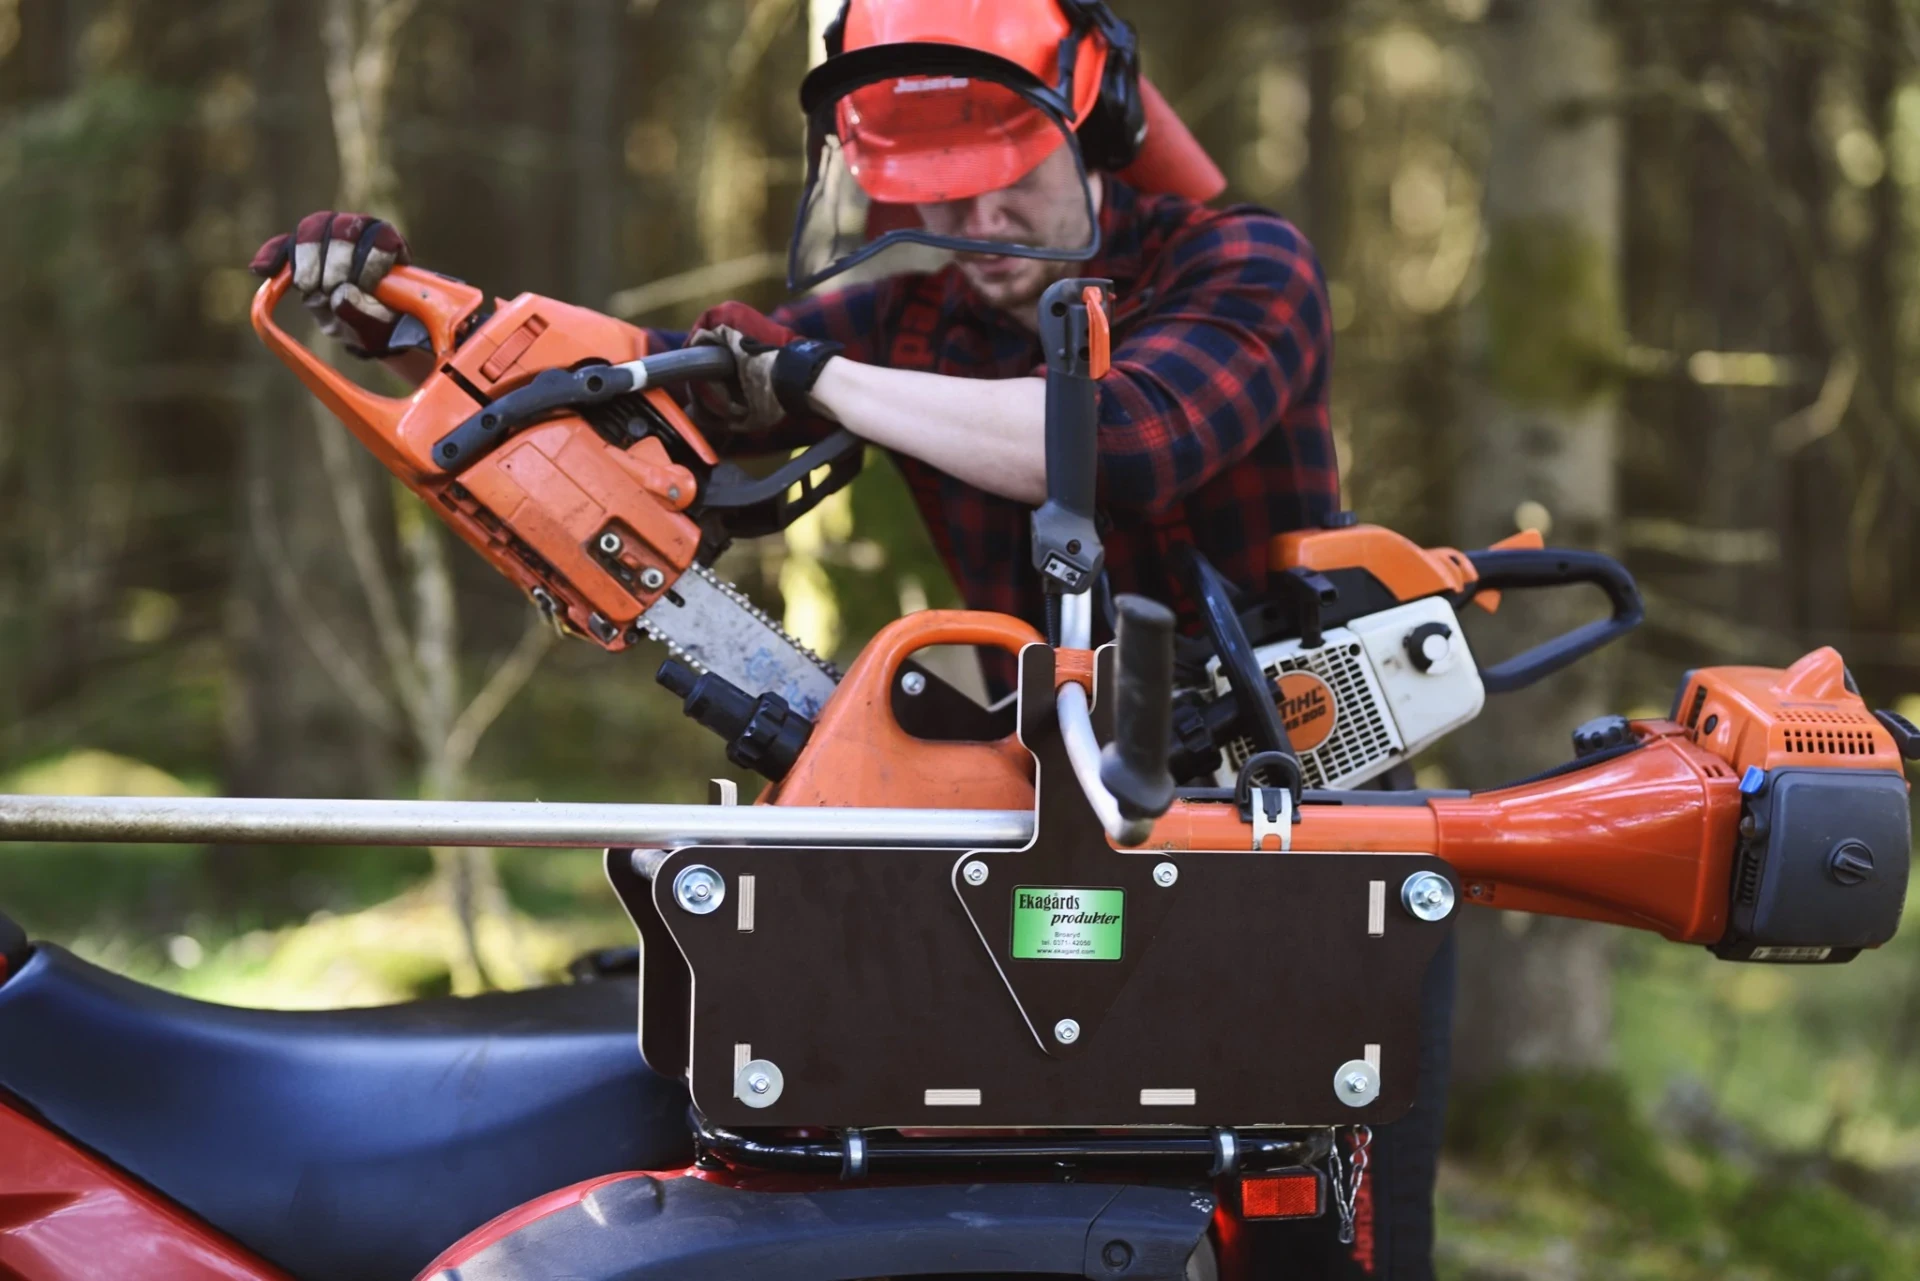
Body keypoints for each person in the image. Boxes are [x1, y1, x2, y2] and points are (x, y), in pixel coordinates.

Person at [250, 2, 1447, 1275]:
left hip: (1300, 814)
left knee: (1326, 1221)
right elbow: (650, 391)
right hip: (1062, 813)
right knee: (1085, 1197)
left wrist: (819, 378)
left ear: (1089, 133)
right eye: (940, 198)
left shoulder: (1244, 260)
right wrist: (420, 334)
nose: (978, 227)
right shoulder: (916, 322)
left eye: (1006, 187)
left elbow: (1129, 439)